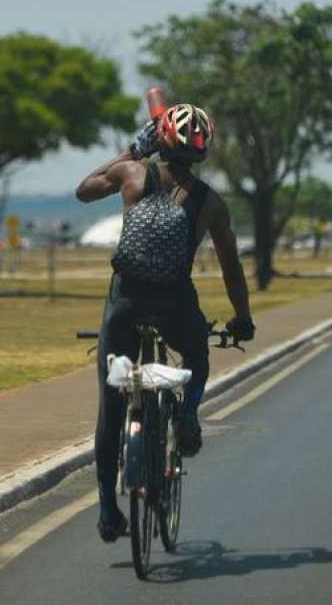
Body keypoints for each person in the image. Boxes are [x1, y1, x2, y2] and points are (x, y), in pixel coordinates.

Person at [75, 103, 255, 542]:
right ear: (202, 150)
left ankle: (106, 510)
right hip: (175, 302)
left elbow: (83, 190)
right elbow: (232, 267)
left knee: (111, 402)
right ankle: (188, 413)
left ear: (161, 141)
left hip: (126, 301)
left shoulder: (133, 174)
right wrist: (242, 318)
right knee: (196, 352)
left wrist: (132, 149)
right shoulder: (210, 202)